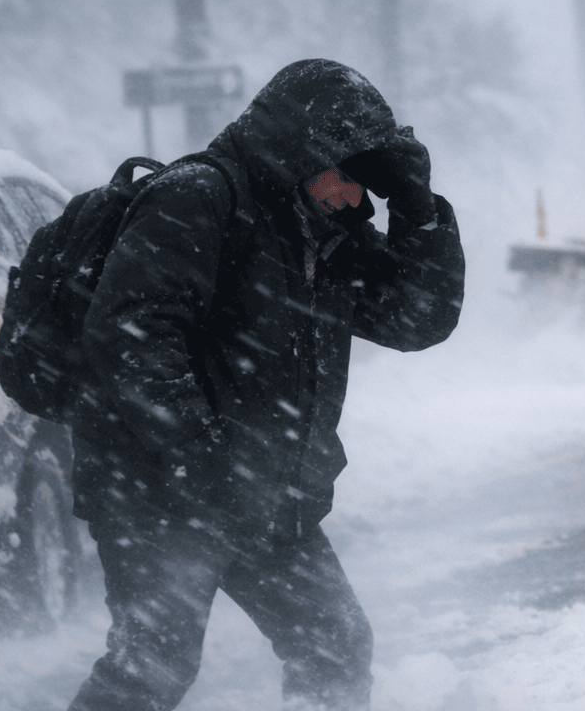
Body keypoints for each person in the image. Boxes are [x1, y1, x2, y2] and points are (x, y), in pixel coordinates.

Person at [66, 59, 465, 711]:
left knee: (334, 644)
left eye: (372, 184)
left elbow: (415, 320)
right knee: (153, 668)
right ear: (300, 151)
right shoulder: (196, 199)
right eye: (349, 175)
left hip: (268, 500)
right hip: (163, 491)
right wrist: (204, 455)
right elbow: (132, 338)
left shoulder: (320, 232)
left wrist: (417, 211)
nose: (357, 198)